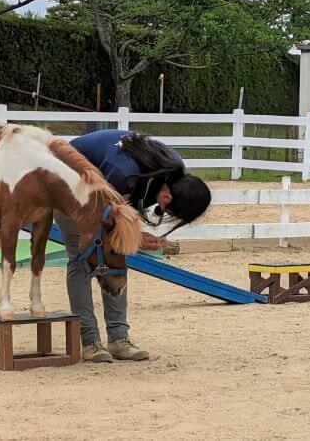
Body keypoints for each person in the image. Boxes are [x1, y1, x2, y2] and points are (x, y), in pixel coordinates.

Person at [54, 129, 211, 363]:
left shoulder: (173, 170)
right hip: (67, 183)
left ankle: (118, 339)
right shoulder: (123, 175)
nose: (166, 214)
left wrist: (134, 235)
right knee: (82, 258)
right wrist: (134, 237)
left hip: (105, 185)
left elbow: (122, 211)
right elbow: (101, 213)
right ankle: (90, 341)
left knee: (116, 253)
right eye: (171, 212)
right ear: (167, 197)